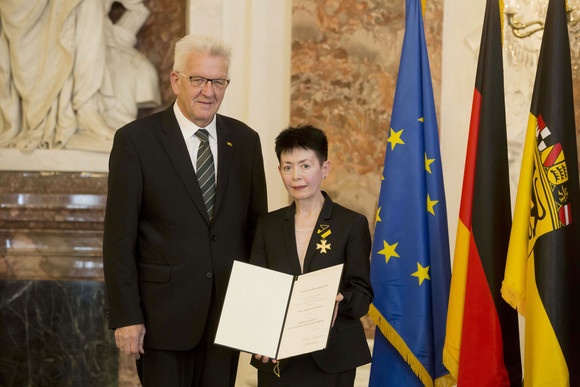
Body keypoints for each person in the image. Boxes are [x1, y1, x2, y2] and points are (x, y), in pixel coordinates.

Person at [102, 34, 268, 386]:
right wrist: (126, 316)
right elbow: (119, 239)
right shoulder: (135, 141)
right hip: (160, 320)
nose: (209, 91)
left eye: (219, 81)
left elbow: (257, 234)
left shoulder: (246, 141)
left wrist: (259, 318)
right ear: (176, 80)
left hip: (227, 319)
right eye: (198, 79)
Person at [249, 125, 373, 386]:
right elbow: (257, 292)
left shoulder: (351, 224)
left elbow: (362, 294)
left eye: (305, 166)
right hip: (278, 356)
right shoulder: (267, 226)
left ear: (324, 169)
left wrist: (340, 299)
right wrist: (258, 336)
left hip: (333, 356)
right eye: (287, 167)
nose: (296, 176)